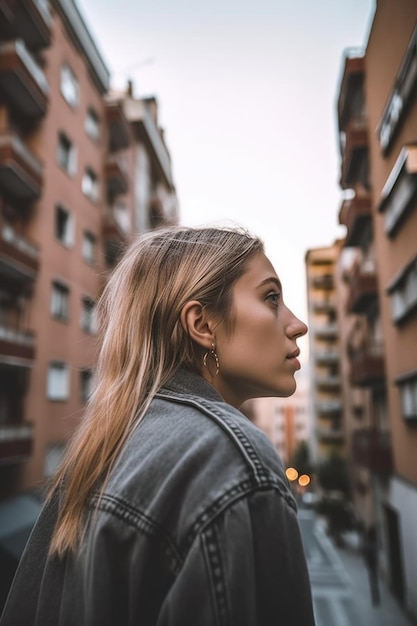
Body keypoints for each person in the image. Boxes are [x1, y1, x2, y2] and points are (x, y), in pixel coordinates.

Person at [0, 225, 316, 625]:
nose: (297, 324)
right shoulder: (230, 461)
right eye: (271, 297)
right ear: (202, 325)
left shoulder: (100, 451)